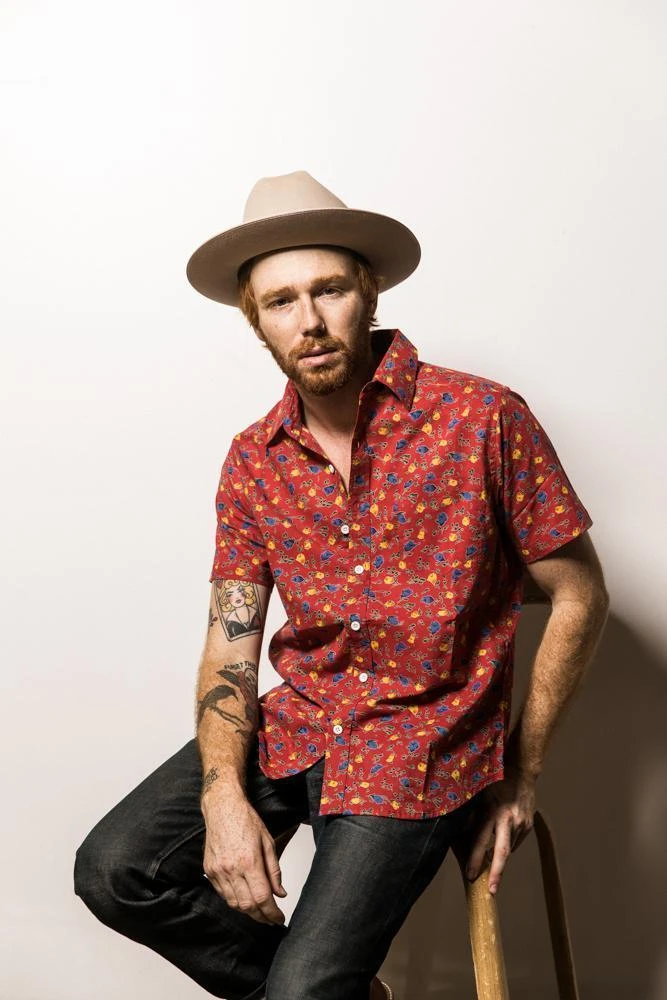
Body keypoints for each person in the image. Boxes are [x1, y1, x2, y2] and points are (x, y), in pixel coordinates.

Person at [73, 170, 610, 1000]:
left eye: (329, 289)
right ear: (256, 321)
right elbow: (231, 644)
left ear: (368, 293)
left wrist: (521, 771)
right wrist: (222, 798)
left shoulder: (481, 418)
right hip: (303, 719)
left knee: (304, 988)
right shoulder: (252, 460)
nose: (310, 320)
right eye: (281, 301)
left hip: (421, 742)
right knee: (116, 871)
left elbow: (578, 593)